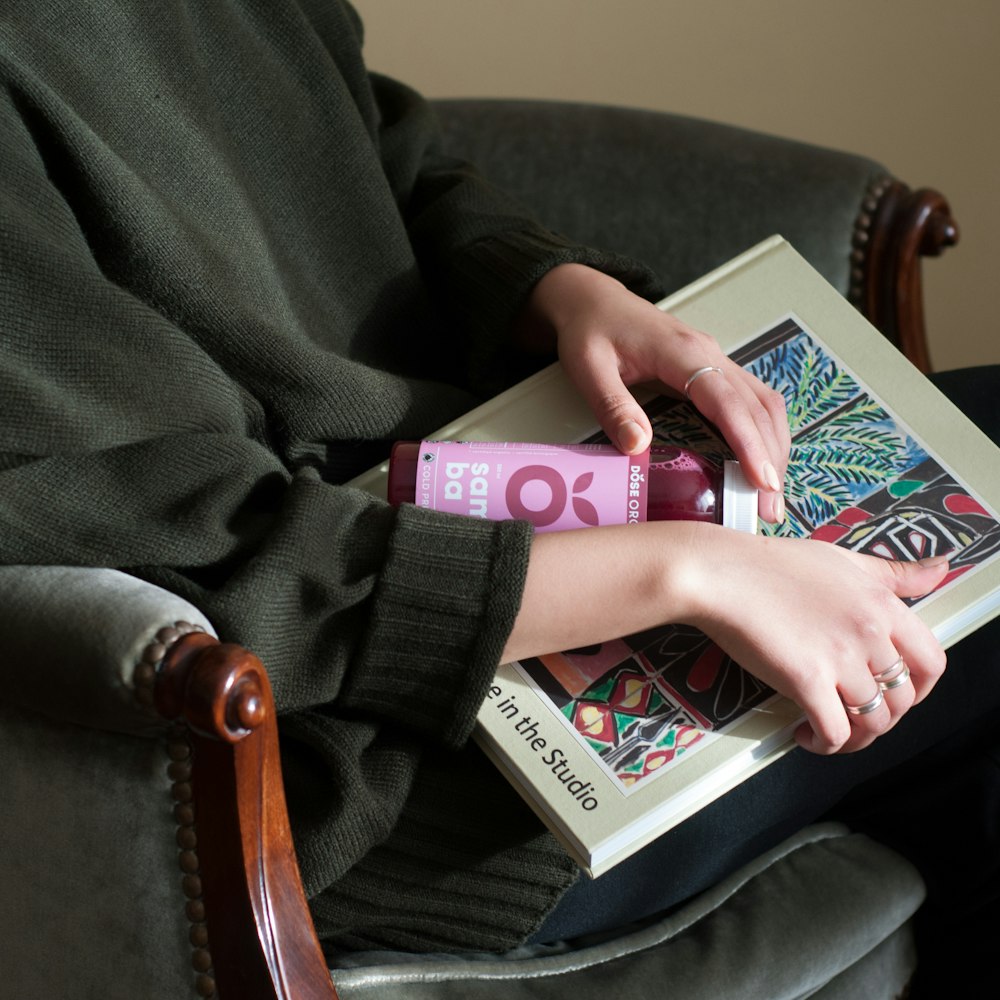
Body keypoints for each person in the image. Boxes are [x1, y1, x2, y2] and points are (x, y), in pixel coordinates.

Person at [1, 0, 996, 985]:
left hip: (489, 500)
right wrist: (686, 570)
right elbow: (184, 554)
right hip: (353, 757)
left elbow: (384, 157)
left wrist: (553, 290)